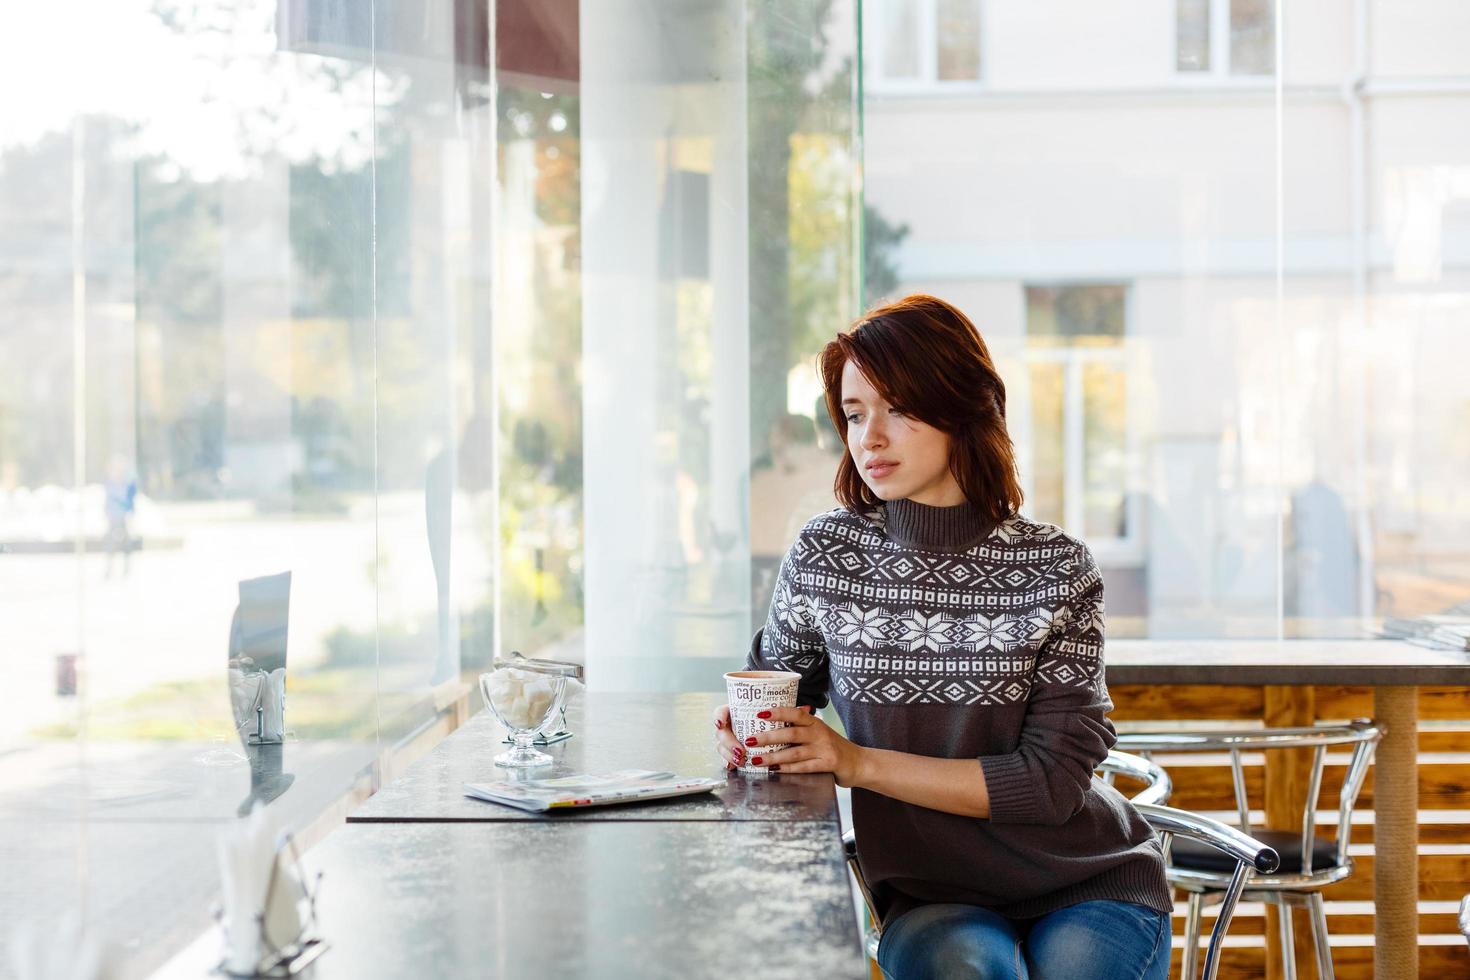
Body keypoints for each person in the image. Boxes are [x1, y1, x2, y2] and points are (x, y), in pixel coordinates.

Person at [712, 295, 1171, 979]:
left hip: (1088, 883)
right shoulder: (827, 556)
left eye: (897, 408)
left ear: (962, 404)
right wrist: (750, 732)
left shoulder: (1058, 569)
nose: (869, 437)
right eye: (855, 412)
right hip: (931, 898)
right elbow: (774, 695)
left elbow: (1050, 786)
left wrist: (858, 763)